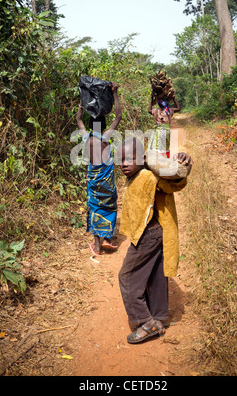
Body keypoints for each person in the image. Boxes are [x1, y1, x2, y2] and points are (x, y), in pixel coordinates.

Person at [117, 137, 192, 344]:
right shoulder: (134, 174)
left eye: (130, 158)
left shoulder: (148, 176)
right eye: (120, 159)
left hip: (147, 236)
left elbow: (173, 184)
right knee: (156, 274)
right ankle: (159, 317)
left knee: (127, 276)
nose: (124, 163)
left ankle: (146, 322)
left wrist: (184, 166)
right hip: (155, 232)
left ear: (143, 158)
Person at [76, 82, 122, 256]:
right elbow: (118, 116)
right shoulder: (105, 137)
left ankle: (97, 245)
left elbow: (78, 119)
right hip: (106, 180)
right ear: (103, 125)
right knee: (109, 205)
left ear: (90, 125)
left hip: (94, 179)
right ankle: (108, 239)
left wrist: (82, 98)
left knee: (95, 206)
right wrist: (115, 93)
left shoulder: (86, 137)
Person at [148, 93, 180, 157]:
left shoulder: (155, 110)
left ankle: (156, 160)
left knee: (156, 146)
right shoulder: (169, 110)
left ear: (158, 103)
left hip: (158, 131)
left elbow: (149, 110)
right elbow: (178, 108)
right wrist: (174, 99)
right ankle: (165, 159)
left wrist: (152, 100)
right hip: (166, 131)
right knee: (165, 147)